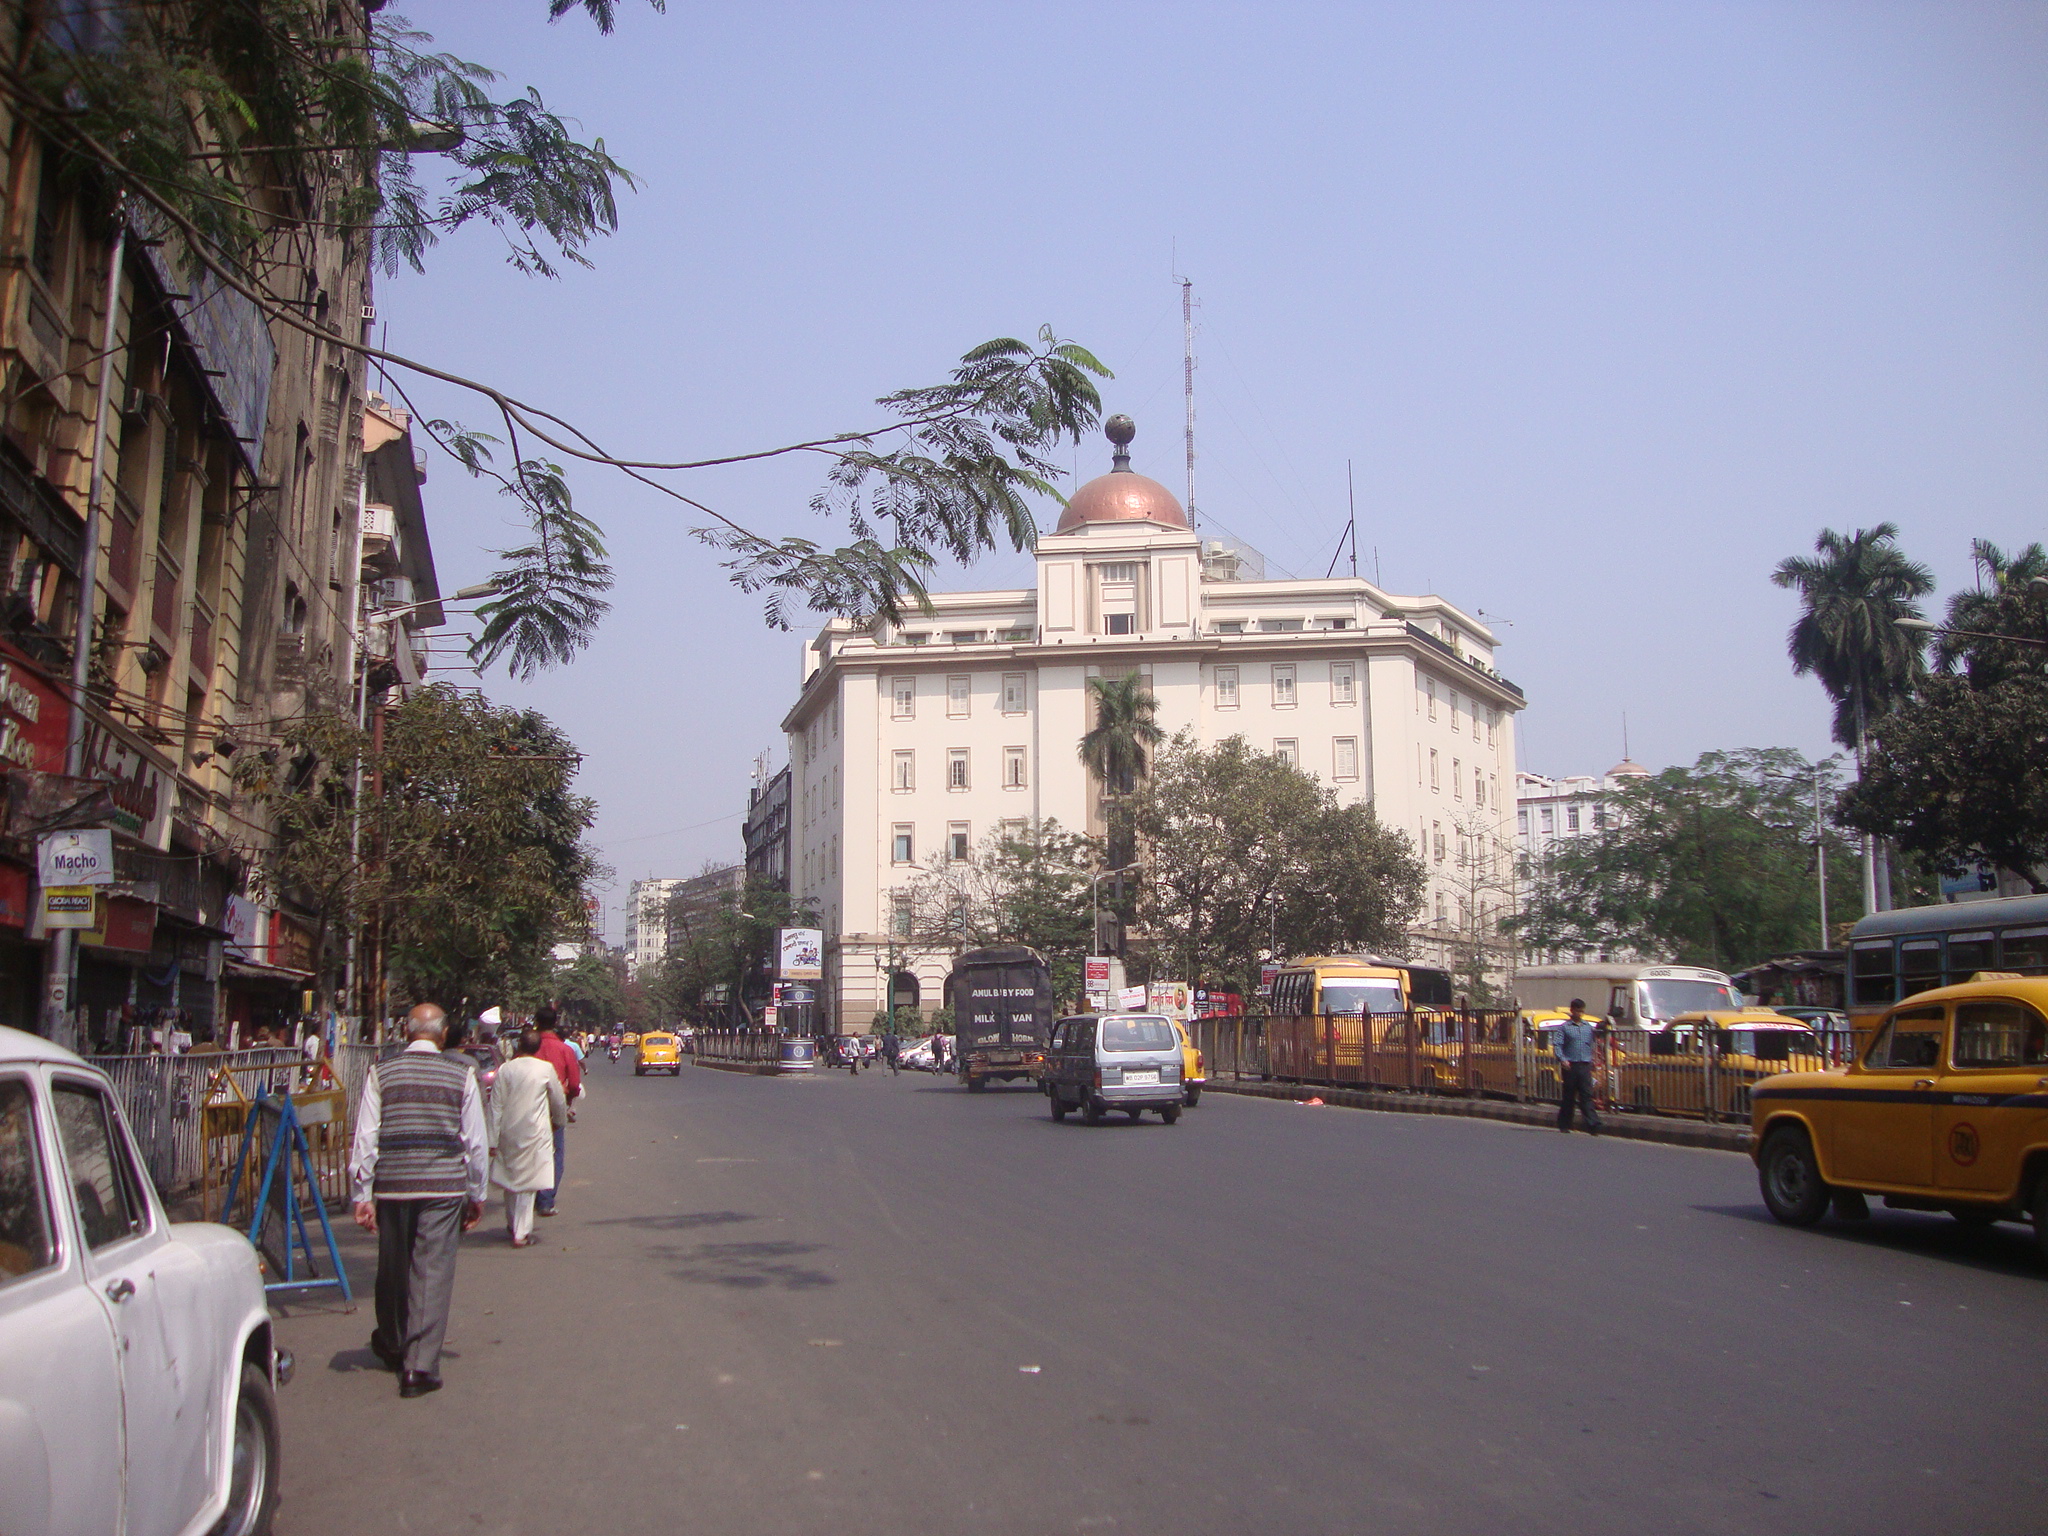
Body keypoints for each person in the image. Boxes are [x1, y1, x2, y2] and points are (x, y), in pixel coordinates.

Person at [348, 1003, 488, 1397]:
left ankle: (393, 1342)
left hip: (392, 1184)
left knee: (392, 1266)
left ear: (408, 1032)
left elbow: (365, 1137)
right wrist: (477, 1194)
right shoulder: (461, 1073)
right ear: (443, 1035)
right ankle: (419, 1366)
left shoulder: (382, 1071)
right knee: (431, 1270)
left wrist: (362, 1193)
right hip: (443, 1187)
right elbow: (475, 1142)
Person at [490, 1028, 567, 1247]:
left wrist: (492, 1139)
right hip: (536, 1133)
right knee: (528, 1184)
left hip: (509, 1131)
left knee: (511, 1179)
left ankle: (513, 1223)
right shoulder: (545, 1069)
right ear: (537, 1048)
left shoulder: (505, 1070)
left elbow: (496, 1106)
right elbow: (558, 1100)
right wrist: (559, 1121)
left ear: (518, 1046)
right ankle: (520, 1233)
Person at [531, 1005, 582, 1217]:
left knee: (530, 1151)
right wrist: (567, 1101)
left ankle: (528, 1196)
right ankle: (545, 1199)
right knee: (555, 1152)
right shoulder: (565, 1050)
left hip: (529, 1106)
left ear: (536, 1022)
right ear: (555, 1024)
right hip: (554, 1106)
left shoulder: (527, 1046)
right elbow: (575, 1083)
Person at [1553, 998, 1604, 1136]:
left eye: (1582, 1011)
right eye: (1577, 1011)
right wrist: (1562, 1059)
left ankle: (1593, 1124)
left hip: (1584, 1065)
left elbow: (1592, 1045)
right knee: (1569, 1095)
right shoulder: (1565, 1028)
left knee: (1586, 1095)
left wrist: (1593, 1059)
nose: (1580, 1014)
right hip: (1570, 1065)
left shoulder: (1587, 1027)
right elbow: (1557, 1044)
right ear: (1572, 1011)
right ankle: (1564, 1123)